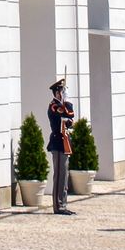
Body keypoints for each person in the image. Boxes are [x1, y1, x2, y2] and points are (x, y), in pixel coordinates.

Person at [47, 77, 76, 215]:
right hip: (58, 142)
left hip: (64, 142)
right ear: (56, 92)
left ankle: (63, 203)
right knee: (59, 175)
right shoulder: (54, 106)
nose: (62, 93)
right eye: (61, 91)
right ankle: (58, 205)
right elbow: (69, 113)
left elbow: (70, 119)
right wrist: (67, 102)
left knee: (64, 175)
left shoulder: (61, 105)